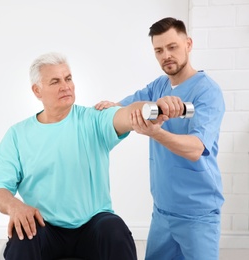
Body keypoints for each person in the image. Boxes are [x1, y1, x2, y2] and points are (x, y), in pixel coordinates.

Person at [0, 52, 184, 260]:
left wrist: (153, 108)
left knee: (114, 229)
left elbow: (127, 114)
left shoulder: (93, 119)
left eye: (68, 78)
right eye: (55, 81)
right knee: (23, 235)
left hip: (93, 225)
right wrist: (14, 206)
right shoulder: (18, 134)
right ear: (37, 90)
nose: (65, 86)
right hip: (45, 227)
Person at [96, 17, 225, 260]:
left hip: (198, 213)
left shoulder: (207, 91)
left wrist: (157, 133)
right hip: (163, 211)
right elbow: (128, 106)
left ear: (188, 44)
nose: (166, 55)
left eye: (172, 47)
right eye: (159, 50)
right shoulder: (159, 86)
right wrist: (111, 107)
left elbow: (196, 148)